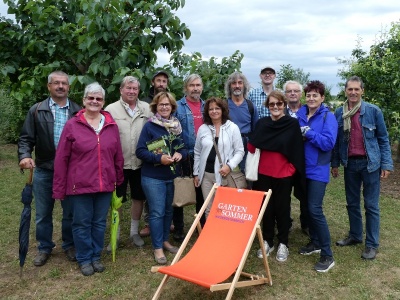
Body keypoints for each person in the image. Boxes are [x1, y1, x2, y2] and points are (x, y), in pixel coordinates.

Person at [53, 82, 124, 276]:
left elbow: (117, 155)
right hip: (80, 186)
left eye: (98, 98)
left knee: (99, 223)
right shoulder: (72, 125)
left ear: (103, 102)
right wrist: (59, 189)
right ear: (84, 100)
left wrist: (118, 180)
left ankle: (95, 256)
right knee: (82, 223)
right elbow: (61, 159)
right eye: (90, 98)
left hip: (105, 184)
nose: (94, 101)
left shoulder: (110, 125)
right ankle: (84, 258)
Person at [18, 70, 81, 267]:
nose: (60, 86)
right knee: (43, 213)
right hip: (44, 169)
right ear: (49, 86)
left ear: (69, 87)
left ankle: (69, 244)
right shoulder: (37, 110)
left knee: (70, 211)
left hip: (70, 171)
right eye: (56, 83)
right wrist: (25, 155)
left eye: (64, 83)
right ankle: (44, 247)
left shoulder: (78, 111)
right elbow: (25, 138)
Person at [331, 76, 393, 260]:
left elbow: (383, 138)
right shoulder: (339, 113)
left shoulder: (373, 111)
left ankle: (372, 244)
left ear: (362, 91)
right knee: (352, 203)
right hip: (350, 164)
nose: (353, 92)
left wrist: (386, 164)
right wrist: (335, 163)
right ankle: (356, 236)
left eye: (357, 89)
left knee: (371, 205)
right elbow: (336, 141)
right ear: (345, 91)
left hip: (370, 164)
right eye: (350, 89)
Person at [248, 90, 305, 263]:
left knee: (282, 209)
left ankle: (283, 243)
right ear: (267, 106)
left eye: (279, 104)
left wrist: (291, 169)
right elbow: (251, 146)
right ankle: (267, 241)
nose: (275, 107)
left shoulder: (291, 124)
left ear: (284, 105)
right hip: (263, 173)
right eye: (271, 104)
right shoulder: (262, 124)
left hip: (283, 174)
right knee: (266, 209)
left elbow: (296, 150)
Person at [136, 92, 187, 265]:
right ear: (155, 107)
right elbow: (140, 151)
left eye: (167, 104)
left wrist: (181, 153)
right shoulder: (150, 126)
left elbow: (184, 147)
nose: (164, 107)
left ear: (172, 107)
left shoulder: (176, 126)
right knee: (156, 212)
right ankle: (157, 247)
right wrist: (159, 159)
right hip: (153, 177)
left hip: (172, 176)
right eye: (161, 105)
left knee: (168, 211)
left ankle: (165, 240)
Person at [105, 76, 152, 248]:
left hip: (141, 163)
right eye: (128, 88)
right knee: (117, 200)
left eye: (135, 88)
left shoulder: (147, 108)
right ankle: (115, 235)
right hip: (119, 163)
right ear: (121, 90)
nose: (132, 91)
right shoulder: (110, 110)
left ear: (139, 91)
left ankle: (134, 232)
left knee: (138, 197)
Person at [296, 80, 338, 272]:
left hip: (318, 169)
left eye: (315, 95)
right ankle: (315, 242)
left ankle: (327, 255)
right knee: (305, 206)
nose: (311, 98)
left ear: (322, 98)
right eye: (309, 95)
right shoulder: (300, 114)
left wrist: (309, 133)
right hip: (301, 168)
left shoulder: (327, 117)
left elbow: (328, 143)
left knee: (314, 209)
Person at [193, 97, 244, 218]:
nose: (214, 111)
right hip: (206, 176)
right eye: (211, 109)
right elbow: (197, 152)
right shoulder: (203, 129)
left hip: (223, 175)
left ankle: (225, 235)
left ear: (223, 110)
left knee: (224, 209)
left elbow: (240, 151)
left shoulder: (232, 128)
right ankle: (211, 236)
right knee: (209, 209)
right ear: (207, 112)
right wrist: (196, 173)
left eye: (217, 108)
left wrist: (229, 166)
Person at [174, 74, 206, 233]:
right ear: (186, 87)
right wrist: (179, 150)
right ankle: (179, 230)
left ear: (202, 87)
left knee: (202, 192)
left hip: (203, 156)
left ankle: (202, 227)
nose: (195, 88)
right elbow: (171, 131)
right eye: (192, 85)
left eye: (198, 85)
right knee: (181, 190)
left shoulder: (207, 106)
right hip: (184, 154)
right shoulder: (178, 107)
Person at [283, 80, 308, 235]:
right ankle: (286, 222)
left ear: (301, 94)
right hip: (285, 160)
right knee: (284, 195)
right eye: (289, 91)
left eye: (296, 91)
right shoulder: (280, 111)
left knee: (305, 193)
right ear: (285, 95)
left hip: (304, 160)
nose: (292, 93)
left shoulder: (309, 111)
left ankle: (306, 224)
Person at [225, 71, 259, 173]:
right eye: (234, 83)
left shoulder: (250, 106)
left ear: (244, 86)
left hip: (246, 146)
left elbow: (255, 129)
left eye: (240, 83)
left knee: (246, 175)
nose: (237, 86)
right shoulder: (224, 105)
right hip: (228, 145)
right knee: (228, 174)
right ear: (229, 86)